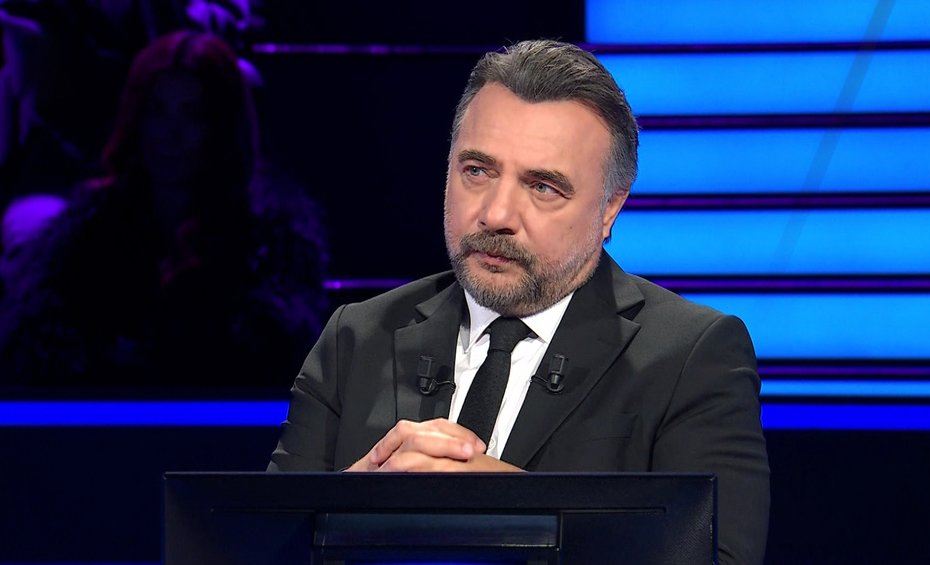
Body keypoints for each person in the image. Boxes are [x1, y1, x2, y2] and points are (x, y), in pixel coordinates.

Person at [268, 40, 769, 565]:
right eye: (477, 171)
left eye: (543, 186)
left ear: (609, 208)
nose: (497, 213)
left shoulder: (691, 358)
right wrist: (354, 497)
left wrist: (514, 506)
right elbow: (260, 542)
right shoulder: (356, 337)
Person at [0, 31, 326, 387]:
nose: (170, 134)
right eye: (156, 111)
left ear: (220, 125)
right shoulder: (90, 230)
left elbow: (274, 355)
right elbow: (37, 343)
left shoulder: (269, 241)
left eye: (192, 114)